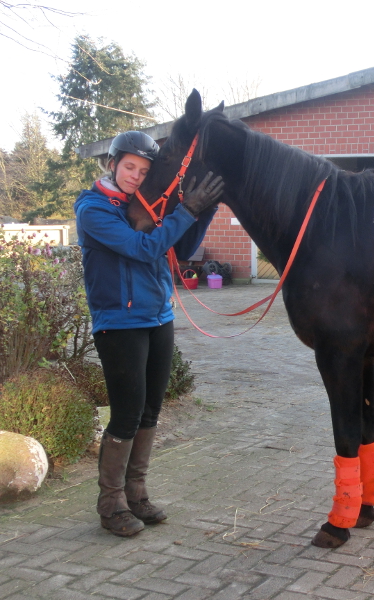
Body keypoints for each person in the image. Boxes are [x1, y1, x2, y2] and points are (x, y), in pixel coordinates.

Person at [74, 131, 224, 536]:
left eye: (143, 171)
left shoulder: (146, 204)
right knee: (126, 414)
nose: (136, 176)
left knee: (150, 412)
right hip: (119, 323)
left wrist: (205, 208)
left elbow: (182, 246)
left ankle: (136, 493)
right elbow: (142, 248)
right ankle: (111, 504)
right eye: (129, 167)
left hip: (158, 318)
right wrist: (185, 210)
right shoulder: (93, 209)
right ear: (112, 164)